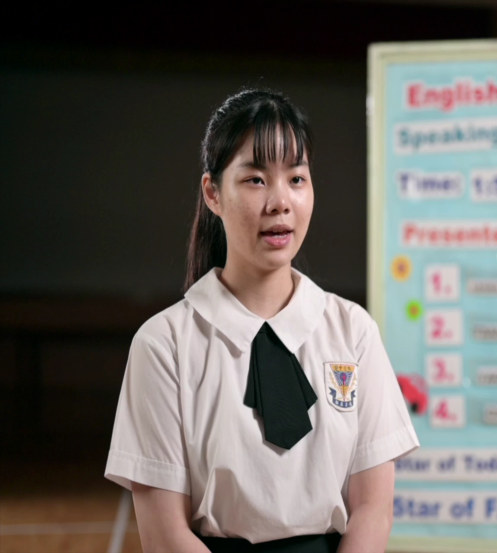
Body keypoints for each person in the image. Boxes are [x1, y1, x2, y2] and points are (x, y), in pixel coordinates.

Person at [104, 88, 419, 552]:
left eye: (297, 178)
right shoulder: (163, 345)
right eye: (255, 179)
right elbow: (165, 535)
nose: (280, 201)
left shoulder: (354, 332)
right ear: (212, 193)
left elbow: (374, 510)